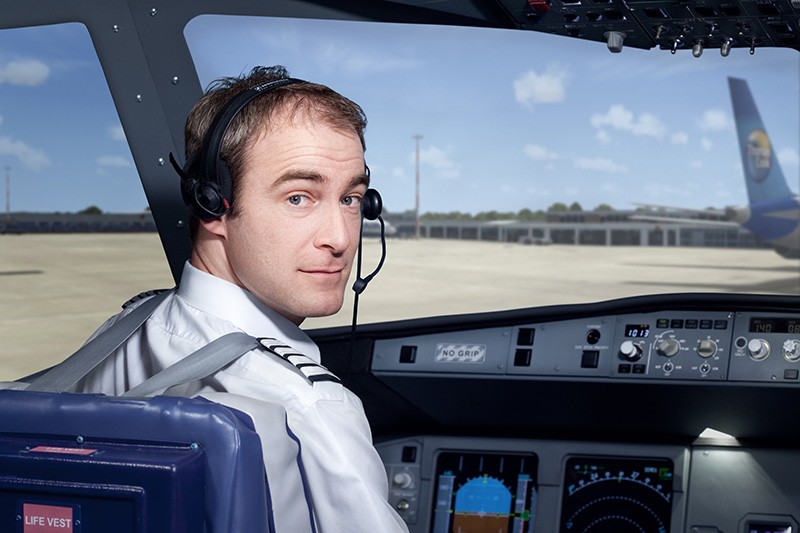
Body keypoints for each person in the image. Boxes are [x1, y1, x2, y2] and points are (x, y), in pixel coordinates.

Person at [74, 66, 409, 532]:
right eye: (299, 198)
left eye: (351, 199)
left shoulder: (123, 330)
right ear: (212, 204)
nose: (340, 239)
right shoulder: (308, 408)